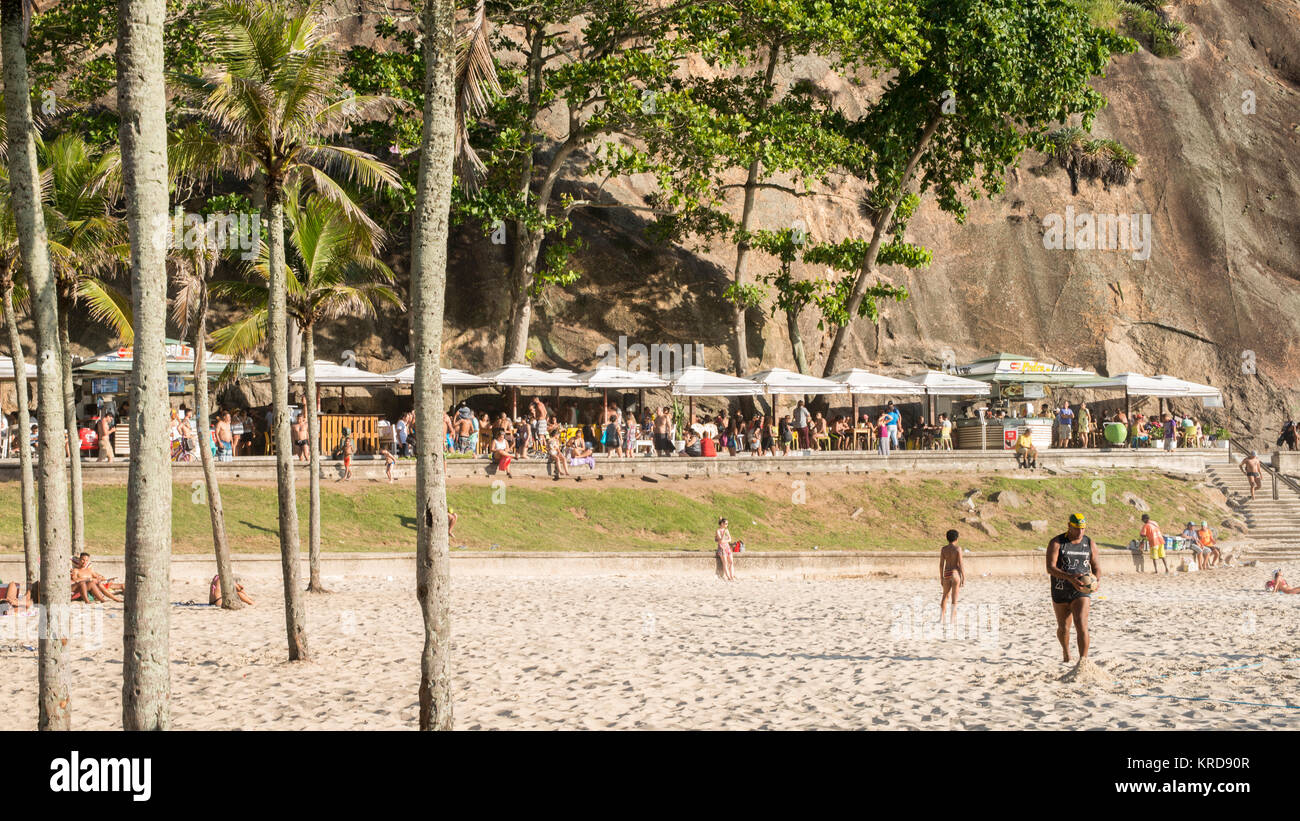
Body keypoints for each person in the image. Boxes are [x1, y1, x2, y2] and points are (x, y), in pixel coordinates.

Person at [1046, 513, 1099, 663]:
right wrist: (1070, 578)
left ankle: (1083, 661)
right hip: (1060, 589)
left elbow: (1096, 567)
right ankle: (1066, 652)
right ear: (1069, 526)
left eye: (1083, 528)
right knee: (1063, 628)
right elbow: (1050, 568)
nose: (1080, 532)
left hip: (1080, 590)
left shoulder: (1089, 543)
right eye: (1077, 528)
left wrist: (1097, 580)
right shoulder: (1056, 542)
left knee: (1081, 622)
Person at [939, 529, 964, 625]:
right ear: (956, 539)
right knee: (954, 598)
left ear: (947, 538)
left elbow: (941, 564)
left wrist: (941, 577)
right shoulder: (958, 549)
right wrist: (963, 577)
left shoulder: (943, 549)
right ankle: (952, 620)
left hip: (946, 573)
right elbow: (960, 564)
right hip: (955, 573)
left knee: (945, 596)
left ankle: (941, 618)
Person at [714, 517, 737, 582]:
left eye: (727, 524)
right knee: (725, 562)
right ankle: (729, 577)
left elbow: (730, 539)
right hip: (721, 548)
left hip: (727, 547)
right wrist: (724, 534)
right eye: (725, 524)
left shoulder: (727, 530)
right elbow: (720, 540)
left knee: (731, 562)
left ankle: (732, 576)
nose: (727, 525)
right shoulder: (718, 531)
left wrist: (724, 540)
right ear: (722, 524)